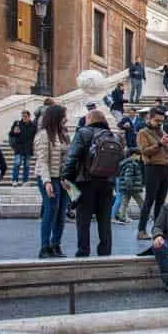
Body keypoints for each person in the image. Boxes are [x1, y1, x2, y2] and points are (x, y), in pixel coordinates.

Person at [63, 110, 120, 257]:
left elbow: (72, 155)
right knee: (104, 221)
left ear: (90, 119)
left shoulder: (83, 132)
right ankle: (105, 251)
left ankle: (83, 251)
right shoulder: (113, 135)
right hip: (107, 182)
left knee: (83, 220)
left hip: (86, 180)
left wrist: (66, 177)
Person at [33, 104, 70, 259]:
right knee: (50, 210)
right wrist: (47, 182)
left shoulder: (63, 134)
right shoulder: (43, 135)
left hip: (63, 179)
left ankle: (56, 244)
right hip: (49, 177)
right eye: (64, 116)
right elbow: (42, 161)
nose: (66, 119)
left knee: (61, 212)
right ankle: (44, 246)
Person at [136, 109, 168, 240]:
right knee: (149, 200)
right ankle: (141, 230)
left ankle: (157, 230)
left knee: (160, 202)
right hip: (152, 168)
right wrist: (159, 144)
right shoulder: (143, 133)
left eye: (161, 121)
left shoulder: (162, 132)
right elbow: (145, 152)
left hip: (165, 168)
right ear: (149, 118)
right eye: (157, 120)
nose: (159, 123)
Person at [113, 147, 145, 224]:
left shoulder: (127, 163)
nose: (140, 157)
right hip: (133, 188)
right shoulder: (131, 164)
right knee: (141, 202)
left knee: (125, 203)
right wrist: (129, 187)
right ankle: (145, 216)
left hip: (128, 188)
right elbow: (128, 177)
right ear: (134, 155)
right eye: (139, 155)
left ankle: (122, 216)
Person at [8, 110, 36, 186]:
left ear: (29, 116)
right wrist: (14, 132)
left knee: (26, 165)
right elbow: (11, 134)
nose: (24, 118)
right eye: (23, 116)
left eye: (25, 116)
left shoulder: (33, 125)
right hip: (18, 147)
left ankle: (25, 181)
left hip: (28, 147)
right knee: (17, 163)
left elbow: (34, 136)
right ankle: (14, 180)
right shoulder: (17, 124)